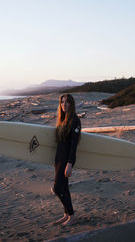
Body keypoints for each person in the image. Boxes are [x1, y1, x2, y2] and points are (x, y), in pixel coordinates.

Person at [53, 93, 81, 226]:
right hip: (58, 159)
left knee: (57, 188)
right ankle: (66, 214)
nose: (64, 104)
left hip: (65, 160)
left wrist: (70, 163)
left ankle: (72, 215)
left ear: (72, 104)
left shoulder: (75, 120)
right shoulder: (62, 119)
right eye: (62, 102)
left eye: (67, 102)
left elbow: (73, 145)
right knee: (64, 188)